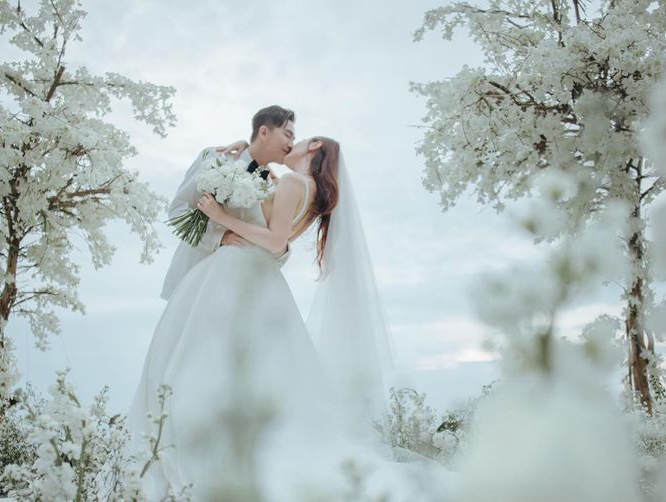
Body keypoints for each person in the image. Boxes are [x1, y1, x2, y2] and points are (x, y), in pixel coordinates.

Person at [128, 132, 453, 500]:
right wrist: (245, 154)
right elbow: (273, 228)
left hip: (241, 274)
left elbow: (275, 241)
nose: (292, 143)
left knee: (201, 363)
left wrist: (220, 218)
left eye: (300, 139)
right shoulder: (304, 188)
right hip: (262, 280)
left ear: (314, 148)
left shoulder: (296, 183)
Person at [160, 105, 296, 300]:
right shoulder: (215, 158)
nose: (291, 144)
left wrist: (281, 248)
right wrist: (219, 237)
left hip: (241, 292)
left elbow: (269, 243)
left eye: (294, 139)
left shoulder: (274, 188)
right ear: (264, 132)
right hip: (195, 282)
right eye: (288, 135)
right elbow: (178, 211)